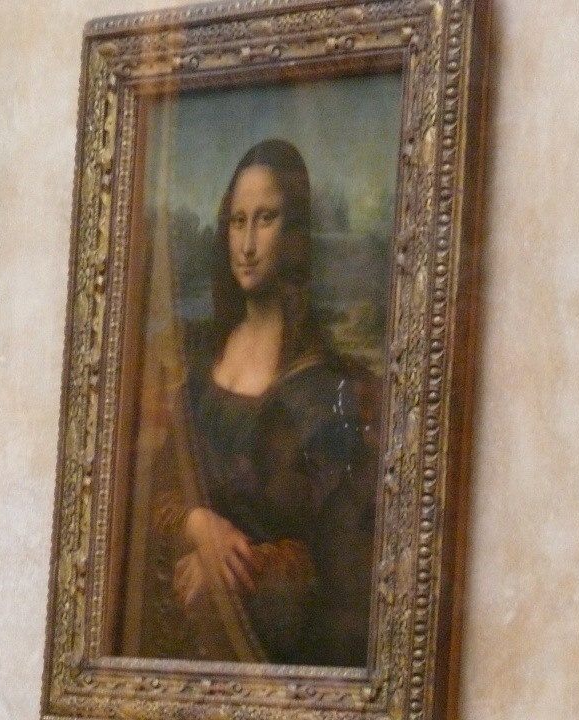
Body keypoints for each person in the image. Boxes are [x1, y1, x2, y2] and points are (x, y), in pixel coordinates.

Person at [138, 139, 379, 667]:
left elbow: (340, 560)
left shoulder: (327, 387)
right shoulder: (202, 362)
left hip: (280, 657)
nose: (247, 244)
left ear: (295, 234)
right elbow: (154, 488)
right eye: (237, 221)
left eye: (266, 219)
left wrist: (234, 570)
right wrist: (198, 525)